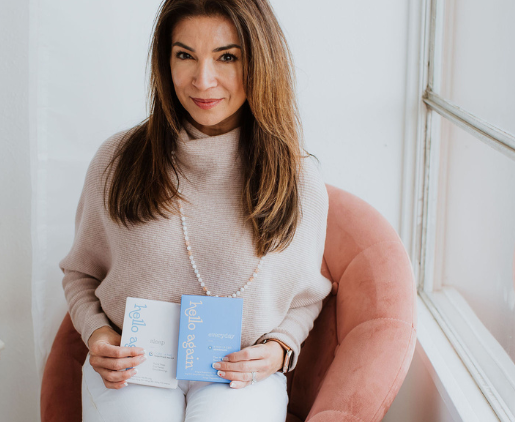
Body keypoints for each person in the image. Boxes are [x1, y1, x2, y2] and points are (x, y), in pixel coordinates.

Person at [59, 0, 332, 420]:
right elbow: (80, 273)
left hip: (236, 372)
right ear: (165, 62)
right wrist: (97, 334)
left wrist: (279, 351)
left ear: (260, 61)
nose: (203, 80)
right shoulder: (117, 160)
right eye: (185, 55)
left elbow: (305, 297)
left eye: (227, 57)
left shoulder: (296, 177)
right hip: (134, 366)